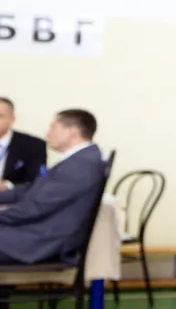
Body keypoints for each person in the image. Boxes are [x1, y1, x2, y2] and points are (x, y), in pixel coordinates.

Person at [0, 110, 109, 267]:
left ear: (72, 132)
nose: (47, 133)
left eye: (52, 127)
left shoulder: (81, 164)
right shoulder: (79, 160)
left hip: (40, 241)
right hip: (37, 232)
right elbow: (32, 189)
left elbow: (35, 208)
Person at [0, 97, 49, 191]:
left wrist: (7, 185)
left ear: (12, 120)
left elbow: (38, 179)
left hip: (12, 201)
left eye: (0, 115)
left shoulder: (33, 145)